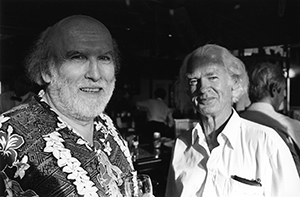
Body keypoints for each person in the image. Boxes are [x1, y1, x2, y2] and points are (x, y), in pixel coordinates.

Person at [0, 15, 137, 197]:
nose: (95, 75)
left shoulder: (105, 124)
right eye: (78, 57)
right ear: (46, 70)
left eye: (104, 58)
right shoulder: (6, 135)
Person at [165, 44, 300, 197]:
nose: (203, 88)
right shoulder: (182, 145)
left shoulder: (266, 142)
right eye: (194, 81)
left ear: (234, 82)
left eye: (212, 77)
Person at [240, 61, 300, 175]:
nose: (283, 97)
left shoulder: (233, 123)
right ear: (274, 89)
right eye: (283, 91)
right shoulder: (290, 128)